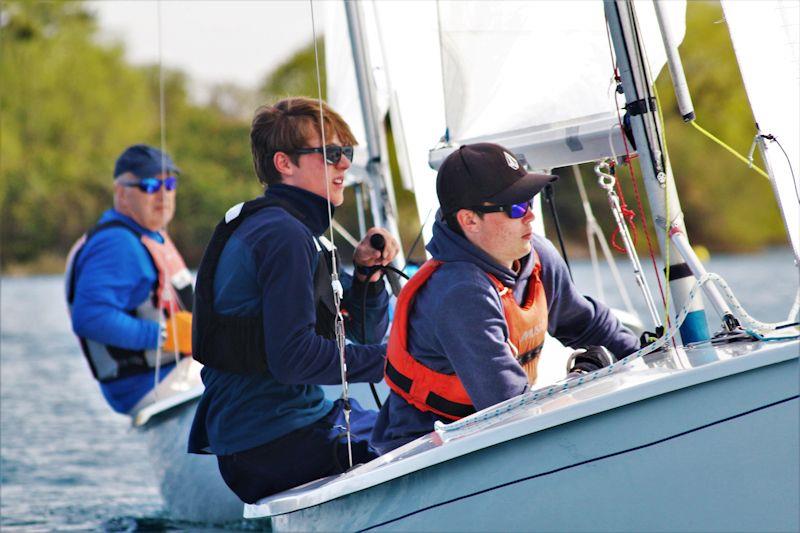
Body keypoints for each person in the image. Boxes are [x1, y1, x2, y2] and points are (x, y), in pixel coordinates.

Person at [188, 97, 399, 504]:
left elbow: (362, 331)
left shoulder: (297, 230)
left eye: (347, 153)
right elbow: (294, 358)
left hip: (288, 428)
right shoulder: (281, 236)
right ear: (284, 163)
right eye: (332, 154)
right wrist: (399, 361)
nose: (344, 165)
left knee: (417, 424)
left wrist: (368, 278)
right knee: (422, 432)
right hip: (269, 442)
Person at [371, 142, 640, 454]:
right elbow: (508, 409)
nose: (529, 217)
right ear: (469, 221)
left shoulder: (536, 255)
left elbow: (586, 323)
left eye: (529, 202)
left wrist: (643, 356)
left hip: (494, 436)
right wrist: (583, 382)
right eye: (515, 208)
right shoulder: (460, 292)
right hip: (425, 453)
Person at [66, 144, 194, 414]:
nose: (163, 195)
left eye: (169, 184)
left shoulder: (150, 234)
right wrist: (164, 335)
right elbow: (90, 317)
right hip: (150, 385)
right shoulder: (117, 244)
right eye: (149, 186)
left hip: (177, 373)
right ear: (121, 193)